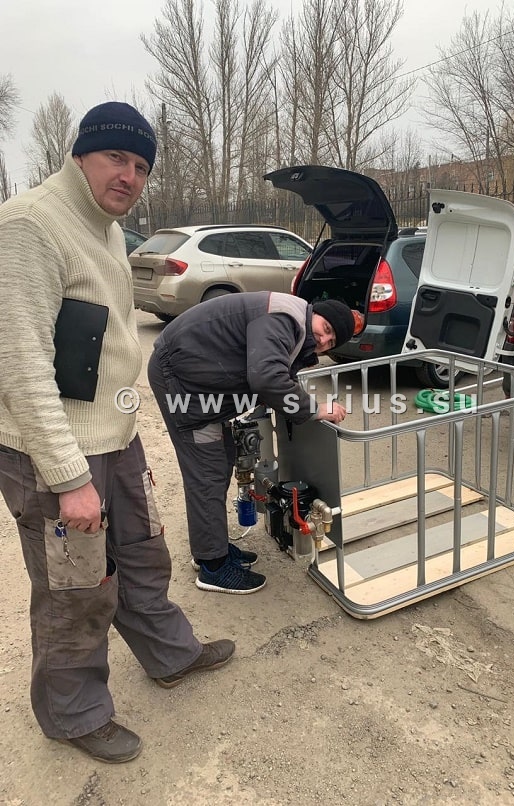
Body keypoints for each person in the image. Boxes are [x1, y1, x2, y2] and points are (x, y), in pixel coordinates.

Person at [0, 102, 235, 764]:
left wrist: (126, 435)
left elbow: (106, 343)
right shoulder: (30, 226)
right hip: (55, 452)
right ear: (79, 154)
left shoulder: (105, 230)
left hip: (113, 439)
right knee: (76, 589)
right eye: (115, 157)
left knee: (142, 554)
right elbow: (20, 365)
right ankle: (73, 714)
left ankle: (168, 653)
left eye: (141, 166)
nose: (129, 175)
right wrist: (68, 478)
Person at [147, 291, 355, 595]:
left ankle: (212, 548)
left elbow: (275, 371)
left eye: (331, 341)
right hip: (182, 382)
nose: (324, 340)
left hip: (199, 381)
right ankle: (213, 566)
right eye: (326, 329)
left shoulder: (294, 324)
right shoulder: (285, 318)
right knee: (207, 470)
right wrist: (315, 409)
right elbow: (267, 377)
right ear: (316, 313)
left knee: (221, 457)